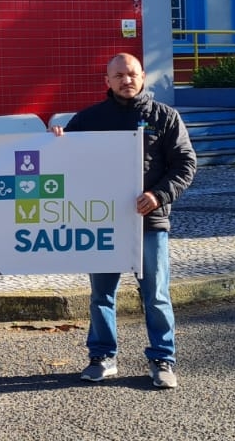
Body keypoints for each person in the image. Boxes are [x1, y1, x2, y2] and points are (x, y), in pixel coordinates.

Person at [52, 52, 195, 389]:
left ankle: (162, 358)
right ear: (107, 81)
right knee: (101, 295)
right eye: (118, 76)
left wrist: (159, 195)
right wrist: (55, 141)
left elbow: (185, 165)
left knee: (156, 295)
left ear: (143, 76)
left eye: (131, 74)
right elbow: (63, 161)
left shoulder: (165, 118)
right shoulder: (88, 120)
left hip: (150, 223)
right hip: (103, 224)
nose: (125, 80)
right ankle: (102, 356)